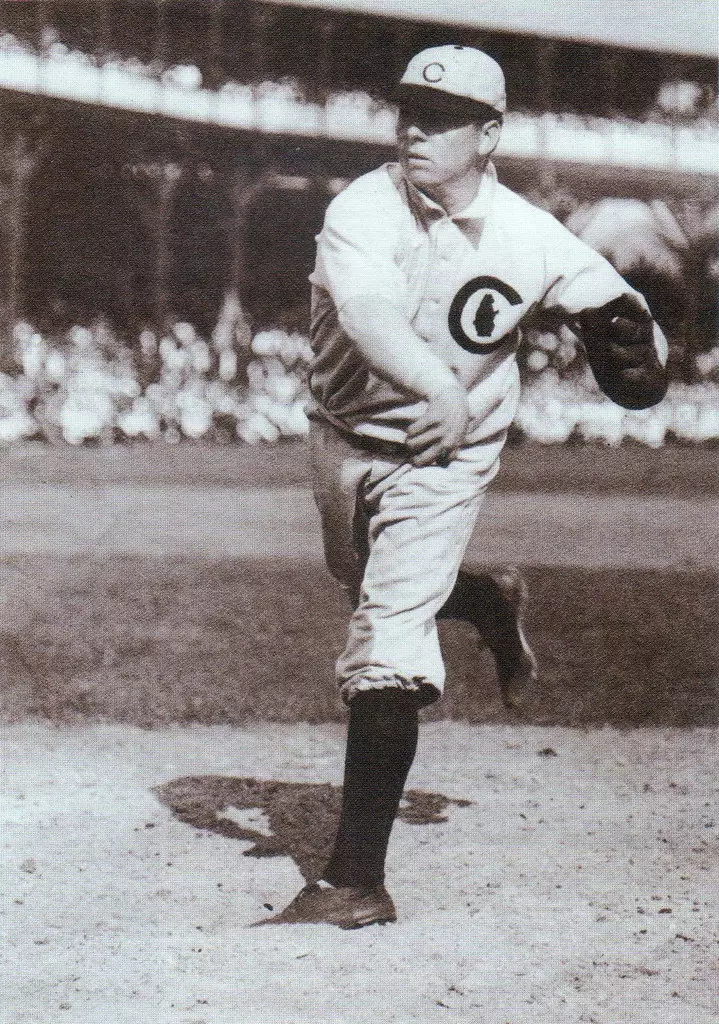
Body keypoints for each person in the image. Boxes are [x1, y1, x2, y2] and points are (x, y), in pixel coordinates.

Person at [253, 45, 668, 929]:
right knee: (358, 582)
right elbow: (365, 314)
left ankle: (354, 882)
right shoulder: (361, 209)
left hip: (451, 454)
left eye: (441, 119)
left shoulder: (528, 234)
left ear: (488, 135)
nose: (415, 130)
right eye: (409, 112)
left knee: (385, 640)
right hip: (343, 435)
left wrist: (640, 347)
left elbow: (623, 314)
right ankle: (482, 598)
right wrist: (434, 385)